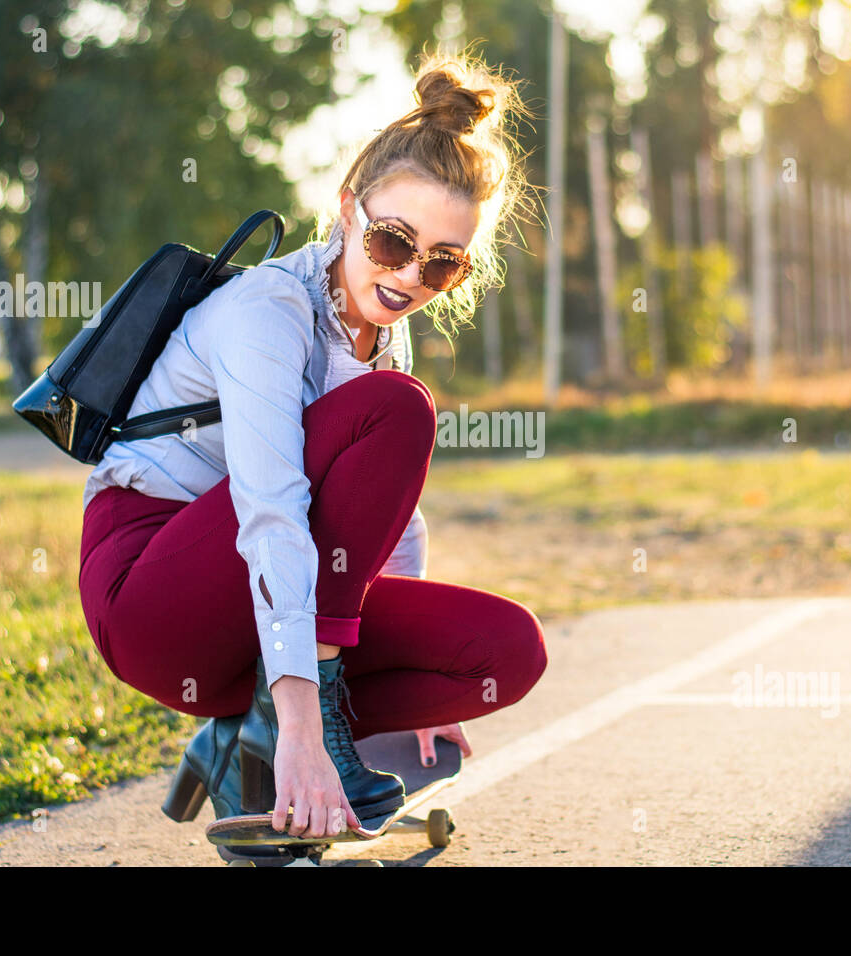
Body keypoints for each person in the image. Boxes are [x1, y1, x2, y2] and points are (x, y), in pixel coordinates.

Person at [77, 48, 546, 854]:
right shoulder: (269, 310)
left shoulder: (378, 338)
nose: (409, 277)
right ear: (345, 208)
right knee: (396, 411)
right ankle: (288, 730)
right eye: (394, 241)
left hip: (247, 614)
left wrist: (430, 696)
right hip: (153, 592)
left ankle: (242, 738)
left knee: (506, 653)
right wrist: (307, 730)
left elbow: (384, 523)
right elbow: (272, 513)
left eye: (443, 261)